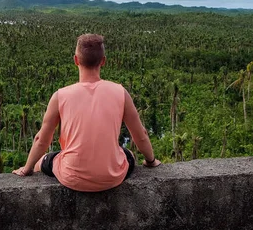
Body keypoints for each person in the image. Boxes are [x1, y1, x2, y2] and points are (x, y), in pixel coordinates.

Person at [13, 34, 161, 190]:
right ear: (103, 61)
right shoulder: (120, 92)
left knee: (43, 161)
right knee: (128, 154)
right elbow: (141, 135)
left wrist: (27, 168)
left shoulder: (60, 96)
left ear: (76, 60)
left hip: (71, 178)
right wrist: (151, 161)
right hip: (112, 178)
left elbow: (41, 140)